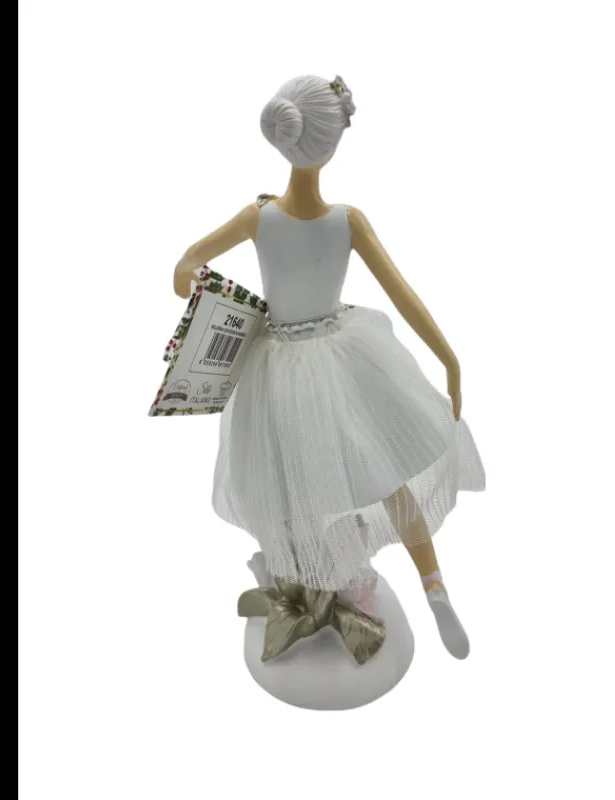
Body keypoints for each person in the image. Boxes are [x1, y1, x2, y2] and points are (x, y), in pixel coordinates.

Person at [173, 75, 485, 659]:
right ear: (334, 142)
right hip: (344, 358)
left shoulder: (257, 217)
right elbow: (405, 297)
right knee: (387, 474)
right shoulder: (348, 220)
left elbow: (186, 263)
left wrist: (202, 291)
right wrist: (450, 359)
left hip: (277, 370)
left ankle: (318, 580)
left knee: (291, 483)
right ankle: (431, 583)